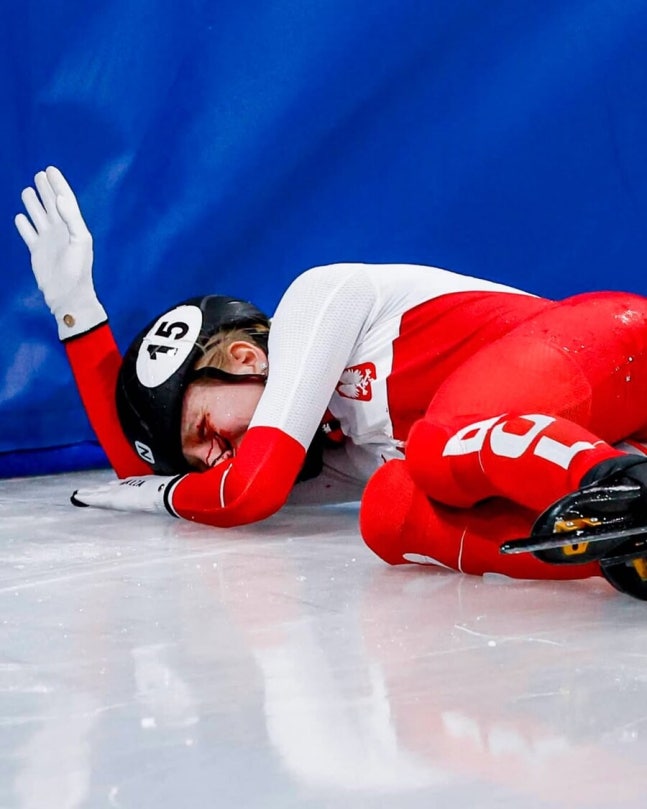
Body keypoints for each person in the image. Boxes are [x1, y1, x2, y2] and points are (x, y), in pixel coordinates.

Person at [15, 166, 647, 600]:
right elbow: (152, 471)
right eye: (200, 457)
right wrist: (76, 312)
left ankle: (619, 488)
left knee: (431, 448)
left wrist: (164, 497)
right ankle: (621, 552)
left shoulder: (314, 303)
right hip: (607, 429)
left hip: (616, 342)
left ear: (242, 357)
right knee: (388, 510)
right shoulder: (339, 461)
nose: (213, 461)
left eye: (206, 431)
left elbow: (244, 494)